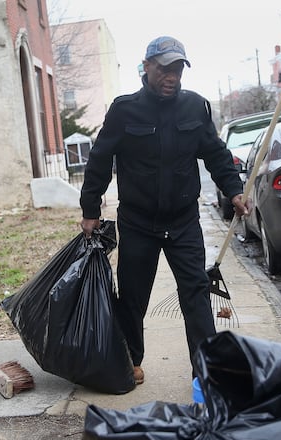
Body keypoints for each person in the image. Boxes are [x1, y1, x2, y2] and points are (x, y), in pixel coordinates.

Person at [79, 36, 249, 385]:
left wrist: (233, 190)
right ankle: (130, 360)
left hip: (183, 220)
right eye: (164, 69)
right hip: (139, 221)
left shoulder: (195, 107)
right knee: (133, 296)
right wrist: (90, 208)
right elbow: (99, 159)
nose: (171, 76)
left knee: (196, 293)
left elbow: (215, 154)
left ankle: (206, 372)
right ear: (147, 67)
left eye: (177, 69)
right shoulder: (125, 110)